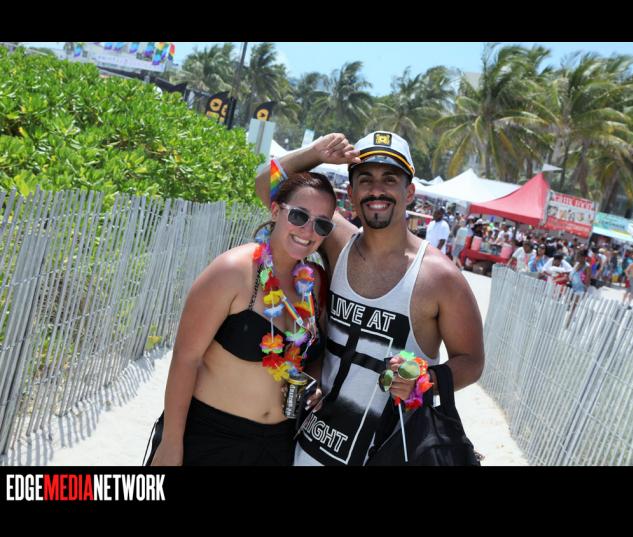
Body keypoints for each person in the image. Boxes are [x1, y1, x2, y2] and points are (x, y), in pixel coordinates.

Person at [254, 131, 485, 466]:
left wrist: (426, 380)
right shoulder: (338, 242)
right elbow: (266, 185)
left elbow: (472, 360)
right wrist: (316, 153)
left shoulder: (440, 277)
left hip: (387, 454)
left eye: (389, 179)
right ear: (351, 193)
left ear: (409, 192)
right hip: (310, 446)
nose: (377, 190)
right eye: (365, 180)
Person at [146, 172, 337, 466]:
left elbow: (317, 352)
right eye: (299, 216)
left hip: (276, 446)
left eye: (321, 224)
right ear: (276, 210)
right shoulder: (233, 271)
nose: (308, 230)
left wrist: (316, 382)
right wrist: (172, 441)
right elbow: (186, 358)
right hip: (210, 438)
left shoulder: (314, 283)